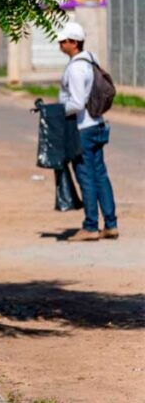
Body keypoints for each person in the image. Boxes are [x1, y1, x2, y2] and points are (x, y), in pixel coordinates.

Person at [56, 21, 118, 242]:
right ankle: (110, 225)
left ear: (74, 43)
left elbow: (77, 102)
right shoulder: (91, 60)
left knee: (86, 177)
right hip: (97, 124)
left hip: (82, 128)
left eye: (64, 41)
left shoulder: (75, 67)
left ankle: (90, 226)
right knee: (100, 174)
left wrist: (56, 110)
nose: (60, 44)